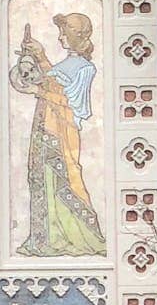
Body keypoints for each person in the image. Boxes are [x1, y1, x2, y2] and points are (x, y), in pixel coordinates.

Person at [10, 14, 105, 257]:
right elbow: (51, 82)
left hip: (62, 134)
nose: (61, 37)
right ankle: (45, 239)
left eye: (65, 32)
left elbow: (72, 104)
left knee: (66, 180)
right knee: (41, 180)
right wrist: (36, 58)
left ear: (77, 35)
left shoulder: (85, 68)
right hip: (44, 128)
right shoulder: (65, 64)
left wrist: (38, 90)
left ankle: (81, 237)